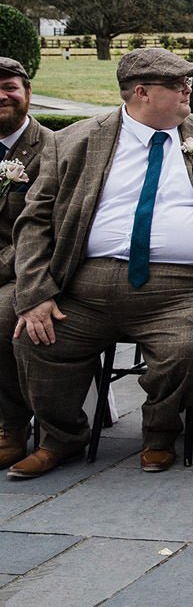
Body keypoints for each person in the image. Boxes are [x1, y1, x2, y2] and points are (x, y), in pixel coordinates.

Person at [9, 48, 193, 479]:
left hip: (186, 290)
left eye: (188, 81)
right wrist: (36, 293)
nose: (189, 89)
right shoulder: (75, 140)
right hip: (85, 286)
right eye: (177, 84)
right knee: (34, 339)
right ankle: (62, 438)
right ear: (141, 93)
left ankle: (160, 431)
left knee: (188, 349)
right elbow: (34, 221)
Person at [0, 58, 54, 470]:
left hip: (30, 268)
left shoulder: (53, 148)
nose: (2, 96)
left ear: (27, 94)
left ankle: (11, 425)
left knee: (2, 317)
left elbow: (48, 228)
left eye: (10, 87)